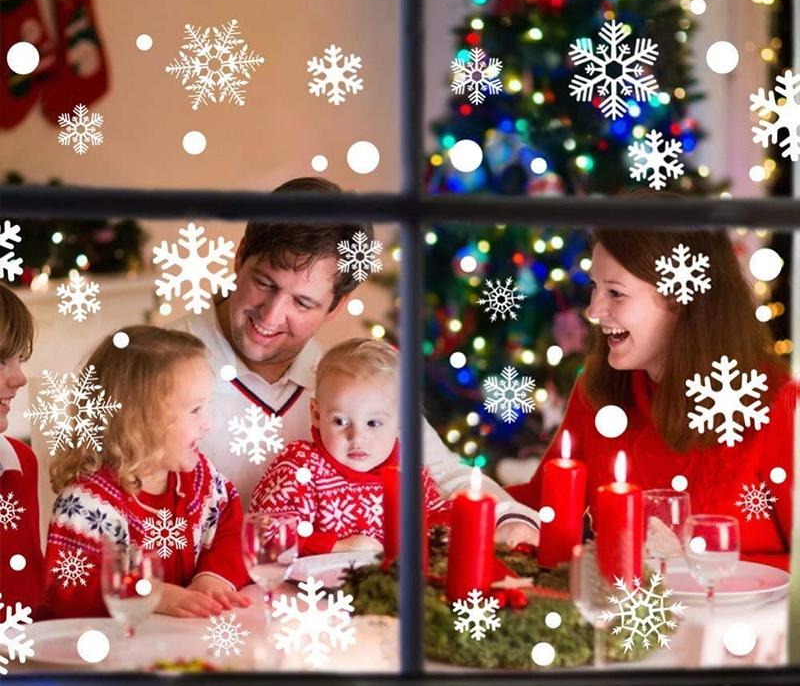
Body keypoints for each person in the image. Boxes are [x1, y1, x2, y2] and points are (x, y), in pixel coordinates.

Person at [175, 177, 540, 546]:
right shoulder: (156, 367)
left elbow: (444, 473)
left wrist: (507, 519)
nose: (271, 316)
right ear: (240, 258)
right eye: (265, 284)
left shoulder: (344, 380)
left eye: (302, 303)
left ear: (336, 306)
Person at [507, 229, 795, 571]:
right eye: (595, 288)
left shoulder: (779, 404)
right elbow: (541, 506)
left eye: (615, 293)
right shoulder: (596, 395)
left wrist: (694, 568)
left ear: (680, 299)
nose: (594, 310)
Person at [38, 326, 252, 619]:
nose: (208, 423)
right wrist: (152, 593)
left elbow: (231, 525)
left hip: (181, 642)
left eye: (207, 406)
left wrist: (214, 576)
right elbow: (69, 589)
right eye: (194, 410)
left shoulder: (198, 476)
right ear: (139, 421)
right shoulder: (87, 504)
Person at [249, 338, 452, 555]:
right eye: (340, 421)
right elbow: (266, 535)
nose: (357, 437)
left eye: (373, 423)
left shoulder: (409, 473)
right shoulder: (301, 468)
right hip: (309, 586)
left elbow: (436, 519)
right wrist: (336, 547)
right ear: (316, 414)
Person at [0, 285, 45, 613]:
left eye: (20, 359)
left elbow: (32, 600)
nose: (19, 378)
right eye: (1, 361)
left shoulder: (20, 463)